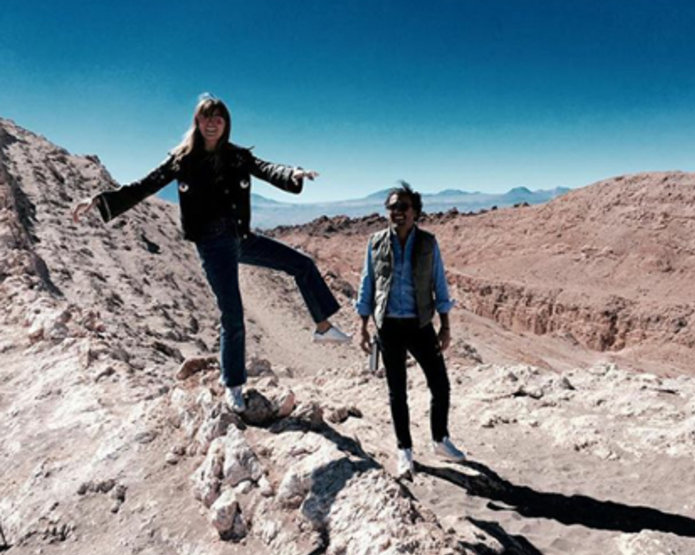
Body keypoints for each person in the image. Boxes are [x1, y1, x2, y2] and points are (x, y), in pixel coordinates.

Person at [72, 95, 351, 414]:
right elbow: (145, 185)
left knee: (301, 263)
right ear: (197, 122)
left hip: (240, 237)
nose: (212, 123)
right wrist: (101, 200)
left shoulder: (237, 156)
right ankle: (233, 385)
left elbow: (266, 168)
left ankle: (323, 328)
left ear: (226, 123)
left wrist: (292, 174)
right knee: (232, 314)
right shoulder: (182, 160)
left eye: (219, 117)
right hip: (213, 245)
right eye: (207, 117)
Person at [356, 181, 465, 478]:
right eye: (392, 207)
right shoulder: (375, 242)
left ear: (416, 211)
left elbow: (439, 283)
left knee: (440, 384)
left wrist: (445, 326)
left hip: (419, 324)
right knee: (397, 391)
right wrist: (362, 327)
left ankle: (440, 439)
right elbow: (367, 283)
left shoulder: (428, 243)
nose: (397, 212)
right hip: (389, 326)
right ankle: (404, 450)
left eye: (403, 206)